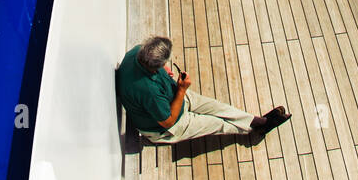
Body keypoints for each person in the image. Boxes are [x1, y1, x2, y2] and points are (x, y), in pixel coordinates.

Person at [117, 36, 291, 144]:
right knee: (219, 123)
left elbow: (155, 72)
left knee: (219, 107)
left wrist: (166, 72)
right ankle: (258, 128)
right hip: (166, 127)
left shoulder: (137, 52)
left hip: (174, 96)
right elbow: (168, 121)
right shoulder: (148, 90)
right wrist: (182, 90)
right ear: (153, 67)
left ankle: (261, 122)